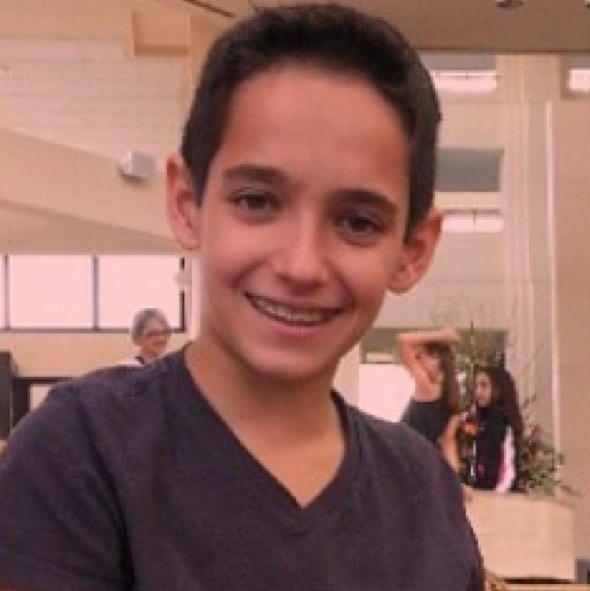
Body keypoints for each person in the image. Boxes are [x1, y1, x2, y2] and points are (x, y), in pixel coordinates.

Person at [0, 4, 484, 590]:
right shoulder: (83, 452)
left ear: (412, 250)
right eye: (257, 201)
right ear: (187, 204)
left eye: (357, 222)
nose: (301, 265)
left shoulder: (422, 490)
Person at [397, 327, 463, 471]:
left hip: (406, 459)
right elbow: (448, 443)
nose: (418, 358)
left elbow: (403, 340)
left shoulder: (427, 387)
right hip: (424, 464)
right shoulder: (453, 397)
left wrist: (442, 336)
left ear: (438, 359)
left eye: (423, 355)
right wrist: (453, 479)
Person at [471, 365, 524, 491]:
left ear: (499, 388)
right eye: (476, 386)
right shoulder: (488, 421)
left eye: (484, 386)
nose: (478, 392)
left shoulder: (498, 419)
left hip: (499, 491)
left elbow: (499, 462)